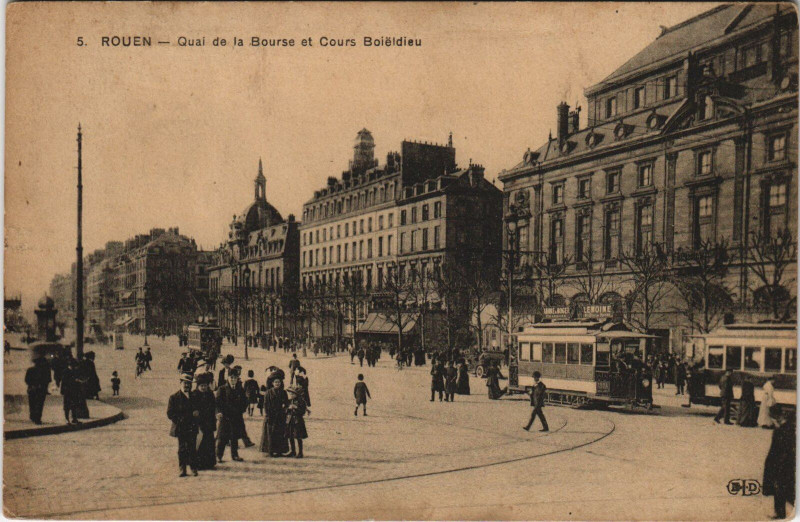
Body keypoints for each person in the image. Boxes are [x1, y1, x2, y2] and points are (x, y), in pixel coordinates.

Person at [763, 406, 795, 519]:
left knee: (783, 489)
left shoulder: (783, 430)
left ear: (775, 417)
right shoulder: (787, 427)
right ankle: (780, 513)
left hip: (783, 463)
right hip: (784, 463)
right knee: (782, 489)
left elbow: (782, 449)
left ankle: (780, 513)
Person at [167, 373, 199, 477]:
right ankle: (182, 469)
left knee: (192, 448)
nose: (187, 386)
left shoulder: (194, 396)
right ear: (180, 383)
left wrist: (197, 413)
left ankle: (193, 468)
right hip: (181, 427)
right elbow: (170, 413)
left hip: (192, 427)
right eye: (185, 383)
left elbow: (200, 409)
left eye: (189, 384)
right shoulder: (174, 397)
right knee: (182, 449)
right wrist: (181, 420)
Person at [215, 368, 246, 463]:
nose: (233, 380)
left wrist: (241, 410)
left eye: (235, 378)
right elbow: (217, 403)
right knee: (222, 438)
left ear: (237, 379)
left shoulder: (240, 389)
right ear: (227, 378)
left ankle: (235, 455)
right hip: (225, 417)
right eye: (231, 377)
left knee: (234, 437)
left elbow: (245, 401)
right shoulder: (222, 389)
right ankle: (218, 456)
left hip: (236, 417)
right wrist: (218, 412)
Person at [192, 372, 217, 471]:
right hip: (198, 423)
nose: (203, 388)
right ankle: (198, 464)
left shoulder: (210, 394)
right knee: (199, 443)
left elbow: (213, 407)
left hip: (209, 422)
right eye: (201, 386)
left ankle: (209, 463)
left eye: (205, 386)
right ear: (198, 386)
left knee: (209, 442)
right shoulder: (194, 395)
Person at [260, 377, 289, 457]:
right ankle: (270, 451)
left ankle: (279, 451)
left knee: (280, 434)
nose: (277, 383)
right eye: (275, 382)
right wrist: (268, 415)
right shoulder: (268, 392)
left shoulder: (283, 392)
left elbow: (287, 403)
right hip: (271, 416)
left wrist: (285, 408)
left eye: (278, 382)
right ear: (272, 383)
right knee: (270, 434)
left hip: (280, 416)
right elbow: (265, 404)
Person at [285, 386, 309, 458]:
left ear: (296, 394)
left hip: (297, 421)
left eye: (293, 394)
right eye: (290, 394)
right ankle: (293, 451)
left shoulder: (301, 401)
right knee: (290, 436)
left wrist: (296, 408)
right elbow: (285, 410)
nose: (291, 395)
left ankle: (300, 453)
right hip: (290, 420)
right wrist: (288, 409)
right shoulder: (289, 401)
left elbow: (302, 412)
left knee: (298, 437)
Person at [25, 357, 51, 425]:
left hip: (32, 389)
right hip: (41, 389)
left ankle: (33, 416)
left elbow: (26, 380)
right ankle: (37, 418)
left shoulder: (30, 369)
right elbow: (48, 380)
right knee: (39, 404)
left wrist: (32, 385)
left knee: (32, 403)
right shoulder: (45, 371)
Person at [60, 358, 82, 424]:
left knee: (74, 405)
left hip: (74, 390)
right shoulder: (65, 371)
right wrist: (74, 380)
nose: (74, 367)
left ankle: (74, 418)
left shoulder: (75, 371)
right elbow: (64, 382)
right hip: (68, 391)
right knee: (67, 405)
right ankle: (67, 419)